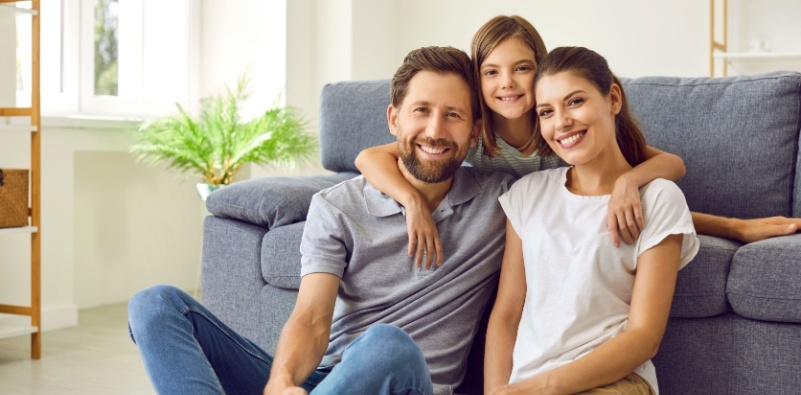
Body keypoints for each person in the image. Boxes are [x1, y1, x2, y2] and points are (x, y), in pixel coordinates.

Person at [128, 46, 515, 395]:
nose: (434, 130)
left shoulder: (501, 199)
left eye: (453, 116)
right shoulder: (337, 205)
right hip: (329, 381)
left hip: (410, 382)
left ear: (475, 130)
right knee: (156, 303)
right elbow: (312, 318)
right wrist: (281, 382)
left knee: (387, 344)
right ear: (393, 119)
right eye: (421, 111)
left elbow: (559, 147)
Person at [355, 15, 801, 269]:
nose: (507, 84)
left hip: (573, 215)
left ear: (542, 70)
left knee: (624, 198)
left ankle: (734, 225)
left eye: (522, 68)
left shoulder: (562, 130)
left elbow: (672, 165)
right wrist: (412, 202)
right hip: (508, 227)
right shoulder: (470, 133)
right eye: (492, 72)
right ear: (478, 78)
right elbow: (368, 156)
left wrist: (628, 181)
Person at [484, 46, 700, 395]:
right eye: (546, 112)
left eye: (575, 102)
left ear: (613, 99)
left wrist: (544, 387)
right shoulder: (526, 195)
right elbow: (507, 314)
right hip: (526, 383)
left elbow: (644, 337)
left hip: (616, 381)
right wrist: (497, 391)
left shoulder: (660, 198)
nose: (562, 122)